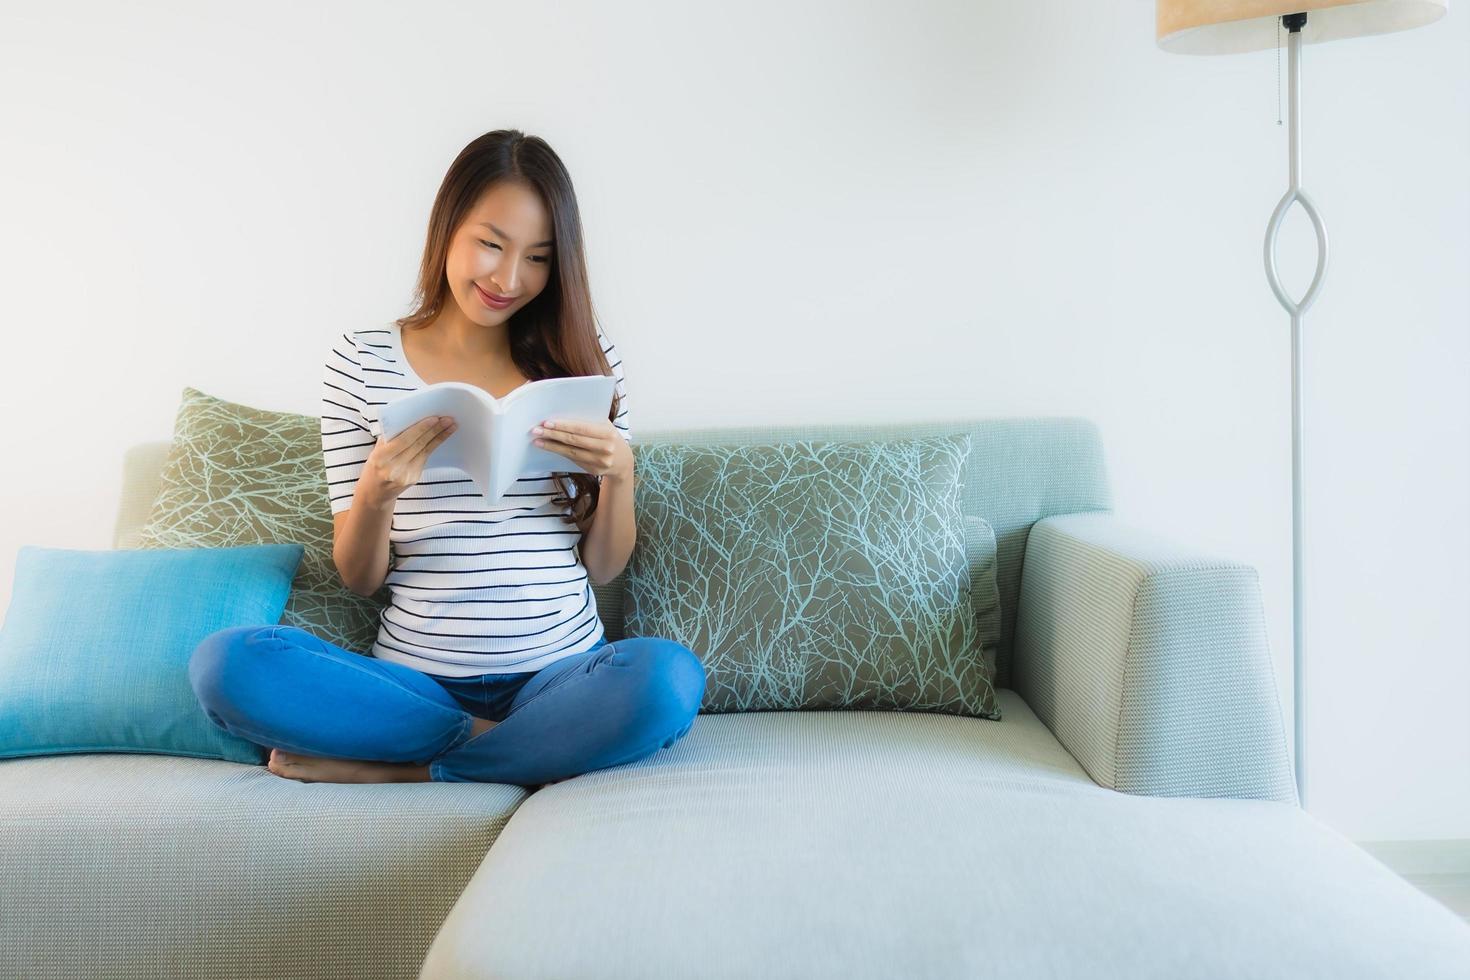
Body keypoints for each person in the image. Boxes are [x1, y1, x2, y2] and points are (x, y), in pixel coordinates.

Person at [187, 129, 707, 788]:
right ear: (447, 227)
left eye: (539, 257)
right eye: (491, 243)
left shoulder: (583, 357)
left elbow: (604, 563)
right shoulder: (363, 361)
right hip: (413, 686)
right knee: (227, 665)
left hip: (562, 676)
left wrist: (619, 474)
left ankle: (411, 768)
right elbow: (360, 576)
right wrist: (377, 489)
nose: (508, 279)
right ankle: (510, 751)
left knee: (668, 681)